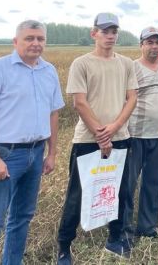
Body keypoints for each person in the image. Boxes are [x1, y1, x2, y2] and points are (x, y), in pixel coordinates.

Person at [0, 20, 64, 265]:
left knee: (22, 217)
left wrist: (52, 153)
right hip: (6, 154)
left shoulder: (49, 71)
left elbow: (53, 113)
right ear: (15, 42)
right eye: (29, 38)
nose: (35, 43)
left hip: (36, 152)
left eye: (40, 39)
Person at [56, 13, 138, 264]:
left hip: (120, 137)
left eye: (114, 31)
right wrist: (102, 134)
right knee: (77, 194)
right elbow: (79, 102)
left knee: (118, 191)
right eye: (105, 31)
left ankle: (115, 239)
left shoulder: (125, 64)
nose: (110, 35)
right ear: (94, 34)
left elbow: (132, 98)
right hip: (87, 140)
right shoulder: (81, 63)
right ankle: (64, 245)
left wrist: (113, 128)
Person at [123, 27, 158, 239]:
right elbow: (124, 100)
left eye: (157, 42)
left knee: (153, 183)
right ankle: (125, 229)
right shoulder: (131, 68)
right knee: (129, 183)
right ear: (141, 45)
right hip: (135, 134)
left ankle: (147, 228)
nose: (154, 46)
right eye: (150, 42)